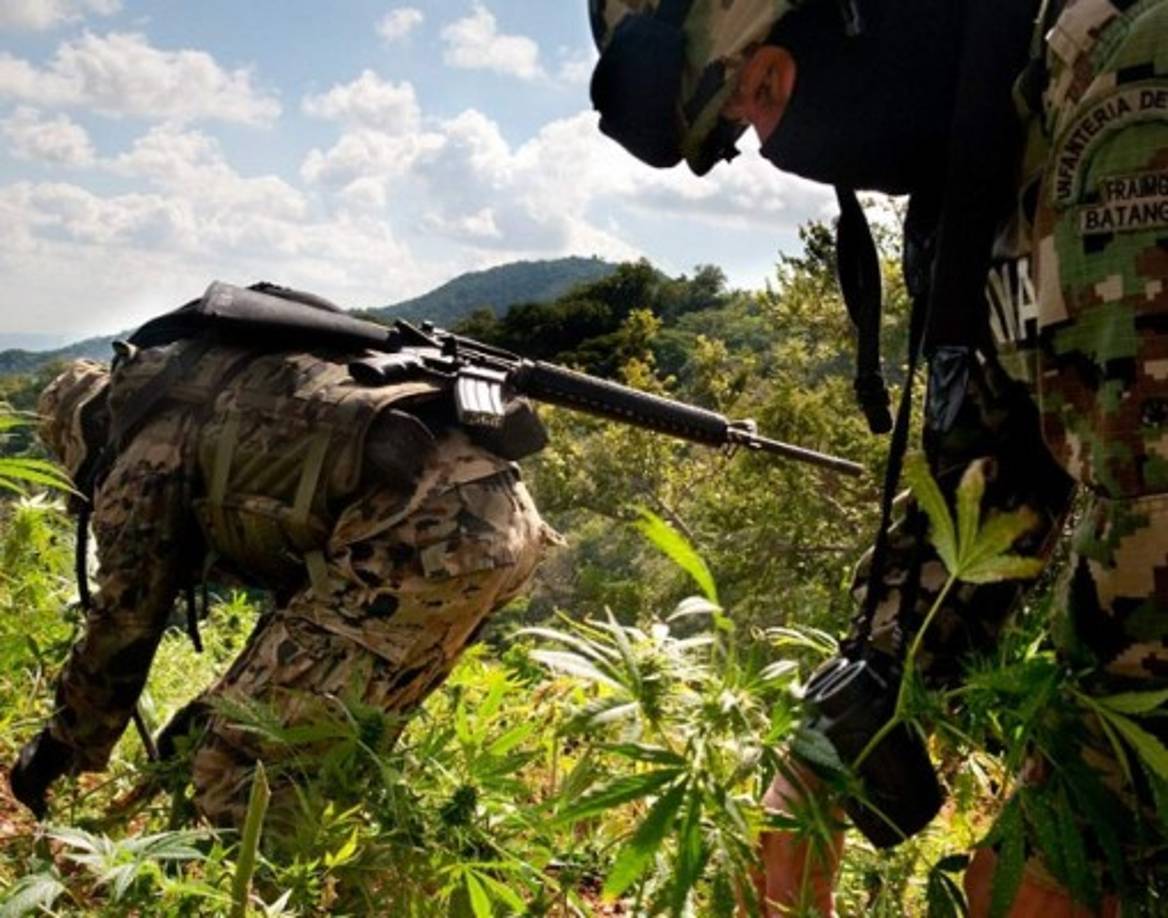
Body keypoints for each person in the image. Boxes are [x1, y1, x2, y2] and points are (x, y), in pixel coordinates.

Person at [588, 0, 1167, 914]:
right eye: (741, 127)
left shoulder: (1126, 60)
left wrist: (1073, 830)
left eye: (762, 91)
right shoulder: (985, 161)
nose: (772, 142)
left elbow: (1157, 507)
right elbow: (984, 488)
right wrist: (829, 745)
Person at [9, 283, 559, 828]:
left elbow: (125, 620)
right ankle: (340, 854)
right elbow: (308, 594)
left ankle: (257, 874)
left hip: (423, 540)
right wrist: (211, 708)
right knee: (311, 734)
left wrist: (62, 743)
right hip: (496, 525)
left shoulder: (146, 450)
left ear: (83, 429)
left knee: (243, 766)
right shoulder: (208, 386)